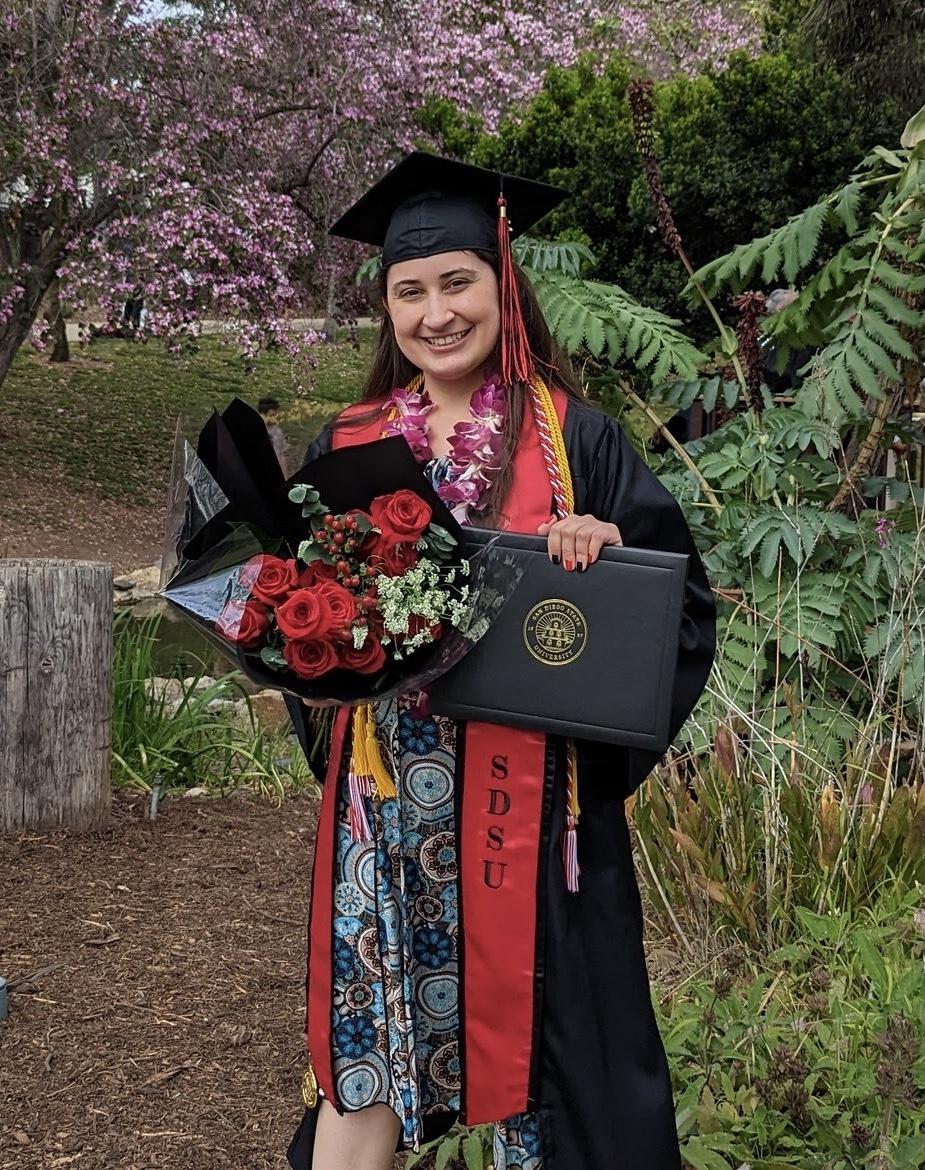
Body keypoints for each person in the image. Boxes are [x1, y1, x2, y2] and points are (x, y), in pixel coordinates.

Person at [284, 152, 716, 1170]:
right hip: (386, 811)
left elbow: (676, 612)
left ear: (503, 287)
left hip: (529, 809)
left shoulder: (576, 441)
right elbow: (297, 617)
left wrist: (604, 574)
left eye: (457, 282)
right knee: (370, 1043)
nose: (436, 313)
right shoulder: (344, 446)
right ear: (385, 308)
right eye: (409, 291)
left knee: (562, 1066)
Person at [258, 395, 291, 476]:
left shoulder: (278, 432)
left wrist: (285, 477)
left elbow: (282, 454)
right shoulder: (254, 429)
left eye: (275, 415)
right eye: (271, 415)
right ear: (262, 413)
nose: (274, 418)